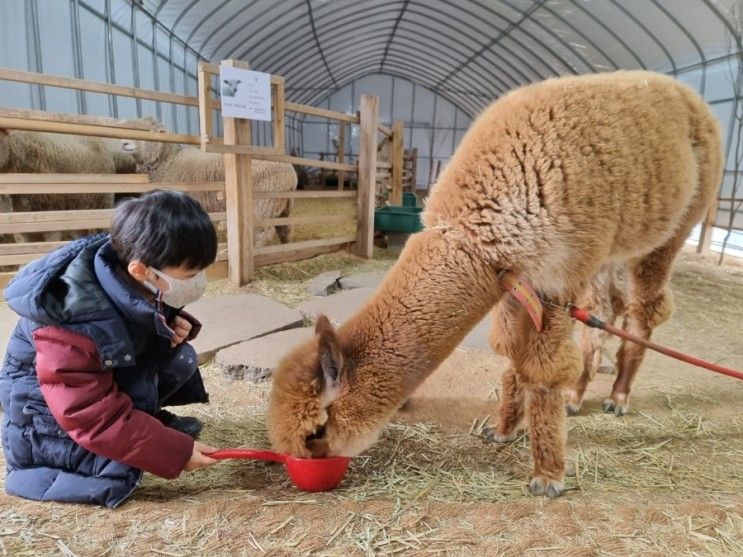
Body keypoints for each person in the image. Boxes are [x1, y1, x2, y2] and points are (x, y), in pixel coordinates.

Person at [0, 189, 221, 508]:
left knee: (181, 358)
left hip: (80, 393)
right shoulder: (72, 319)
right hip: (49, 424)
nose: (199, 281)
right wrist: (172, 451)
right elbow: (87, 414)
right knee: (121, 467)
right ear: (141, 270)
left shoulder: (128, 274)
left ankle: (144, 425)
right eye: (189, 275)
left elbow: (126, 329)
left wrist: (168, 322)